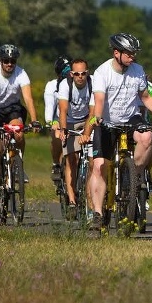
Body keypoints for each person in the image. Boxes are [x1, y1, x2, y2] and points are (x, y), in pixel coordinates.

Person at [81, 33, 152, 230]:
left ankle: (133, 175)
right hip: (108, 121)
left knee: (147, 137)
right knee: (99, 166)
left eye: (134, 53)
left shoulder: (138, 70)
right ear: (116, 53)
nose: (133, 57)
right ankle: (97, 214)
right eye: (129, 54)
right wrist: (99, 117)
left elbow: (145, 97)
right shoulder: (103, 72)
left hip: (131, 118)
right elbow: (100, 100)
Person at [0, 44, 41, 216]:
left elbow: (28, 98)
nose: (9, 64)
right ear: (0, 61)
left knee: (19, 133)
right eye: (6, 61)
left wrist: (35, 120)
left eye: (12, 61)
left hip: (13, 110)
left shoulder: (21, 73)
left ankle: (18, 164)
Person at [56, 58, 93, 219]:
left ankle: (91, 199)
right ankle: (72, 201)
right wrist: (64, 130)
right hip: (70, 122)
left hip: (87, 120)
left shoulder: (93, 84)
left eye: (83, 73)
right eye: (76, 74)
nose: (80, 77)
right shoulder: (65, 85)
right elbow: (63, 110)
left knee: (93, 161)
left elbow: (93, 112)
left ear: (87, 73)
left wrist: (87, 131)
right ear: (71, 74)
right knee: (72, 159)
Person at [45, 55, 72, 184]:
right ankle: (56, 164)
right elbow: (50, 107)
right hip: (58, 118)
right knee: (56, 136)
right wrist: (51, 122)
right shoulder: (52, 86)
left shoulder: (81, 83)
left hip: (76, 118)